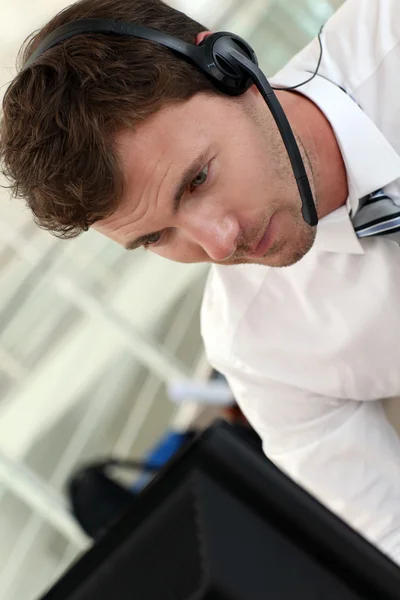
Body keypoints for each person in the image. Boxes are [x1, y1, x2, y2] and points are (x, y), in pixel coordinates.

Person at [2, 0, 400, 565]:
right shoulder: (255, 343)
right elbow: (387, 534)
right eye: (157, 238)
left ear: (231, 64)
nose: (220, 243)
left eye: (197, 180)